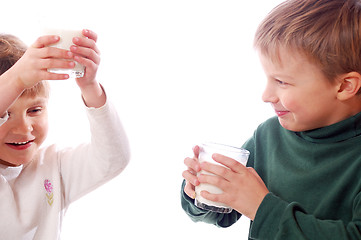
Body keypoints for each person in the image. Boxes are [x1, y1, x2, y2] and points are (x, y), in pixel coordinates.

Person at [181, 0, 361, 239]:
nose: (266, 96)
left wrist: (261, 208)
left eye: (282, 82)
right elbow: (223, 213)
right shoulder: (268, 137)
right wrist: (200, 192)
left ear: (344, 86)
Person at [0, 30, 130, 239]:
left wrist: (90, 88)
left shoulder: (52, 166)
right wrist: (16, 79)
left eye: (34, 110)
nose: (24, 128)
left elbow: (114, 159)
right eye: (4, 114)